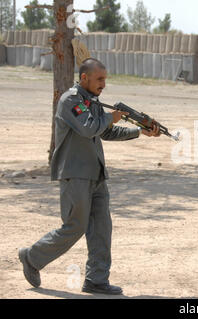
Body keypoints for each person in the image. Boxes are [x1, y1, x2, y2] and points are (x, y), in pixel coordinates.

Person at [18, 58, 161, 295]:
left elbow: (107, 131)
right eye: (100, 79)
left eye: (105, 79)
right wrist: (110, 117)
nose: (104, 84)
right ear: (84, 78)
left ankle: (96, 279)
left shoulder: (91, 102)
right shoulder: (70, 101)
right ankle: (32, 257)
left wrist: (139, 131)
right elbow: (88, 127)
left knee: (102, 229)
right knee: (74, 227)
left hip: (96, 174)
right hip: (75, 174)